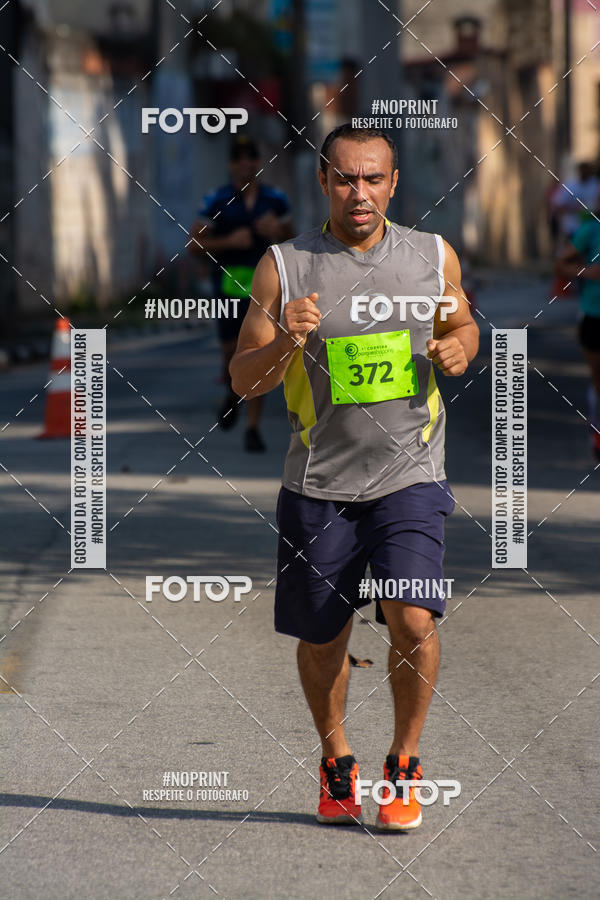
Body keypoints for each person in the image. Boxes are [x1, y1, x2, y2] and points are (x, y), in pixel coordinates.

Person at [230, 124, 479, 830]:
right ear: (323, 182)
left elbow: (464, 324)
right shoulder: (286, 266)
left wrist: (459, 346)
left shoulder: (431, 256)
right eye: (345, 178)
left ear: (394, 184)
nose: (359, 192)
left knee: (412, 615)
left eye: (373, 179)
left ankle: (404, 762)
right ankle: (337, 756)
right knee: (322, 636)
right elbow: (245, 380)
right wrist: (286, 340)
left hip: (411, 477)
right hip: (319, 486)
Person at [190, 136, 293, 452]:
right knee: (230, 352)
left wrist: (276, 231)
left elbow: (292, 234)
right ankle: (232, 395)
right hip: (229, 284)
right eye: (239, 158)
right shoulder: (217, 200)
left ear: (258, 162)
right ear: (231, 164)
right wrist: (229, 242)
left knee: (258, 353)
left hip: (264, 285)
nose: (246, 163)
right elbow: (194, 245)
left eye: (252, 157)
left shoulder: (275, 199)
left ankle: (252, 428)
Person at [556, 207, 600, 460]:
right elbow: (561, 264)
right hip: (594, 314)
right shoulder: (592, 229)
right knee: (598, 380)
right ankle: (597, 434)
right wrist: (588, 272)